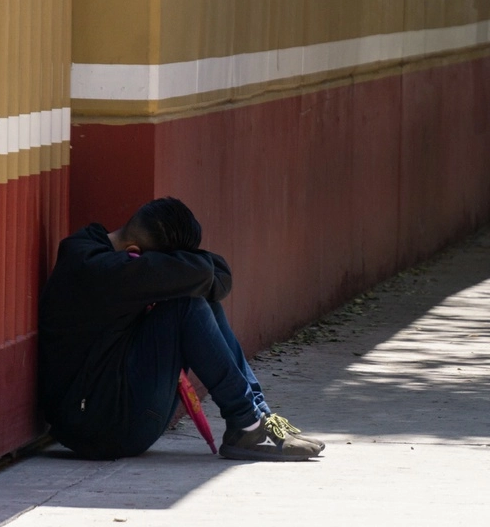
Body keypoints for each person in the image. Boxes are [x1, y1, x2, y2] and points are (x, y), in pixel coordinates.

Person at [38, 197, 325, 461]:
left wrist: (175, 268)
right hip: (101, 428)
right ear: (135, 253)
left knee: (197, 298)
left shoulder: (99, 245)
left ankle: (258, 417)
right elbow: (203, 271)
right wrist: (181, 271)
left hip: (112, 409)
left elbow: (217, 273)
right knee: (186, 305)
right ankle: (247, 424)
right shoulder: (104, 271)